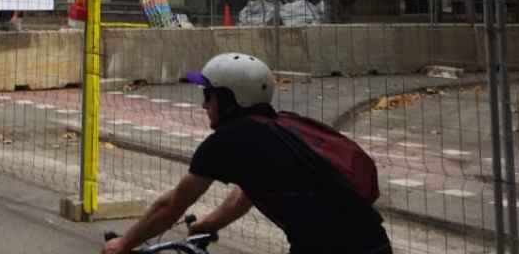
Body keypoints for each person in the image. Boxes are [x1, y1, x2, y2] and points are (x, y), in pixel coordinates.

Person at [102, 53, 391, 254]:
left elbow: (171, 206)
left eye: (208, 95)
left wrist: (125, 243)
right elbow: (248, 191)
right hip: (368, 241)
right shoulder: (279, 126)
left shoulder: (228, 141)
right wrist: (210, 223)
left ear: (230, 99)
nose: (204, 105)